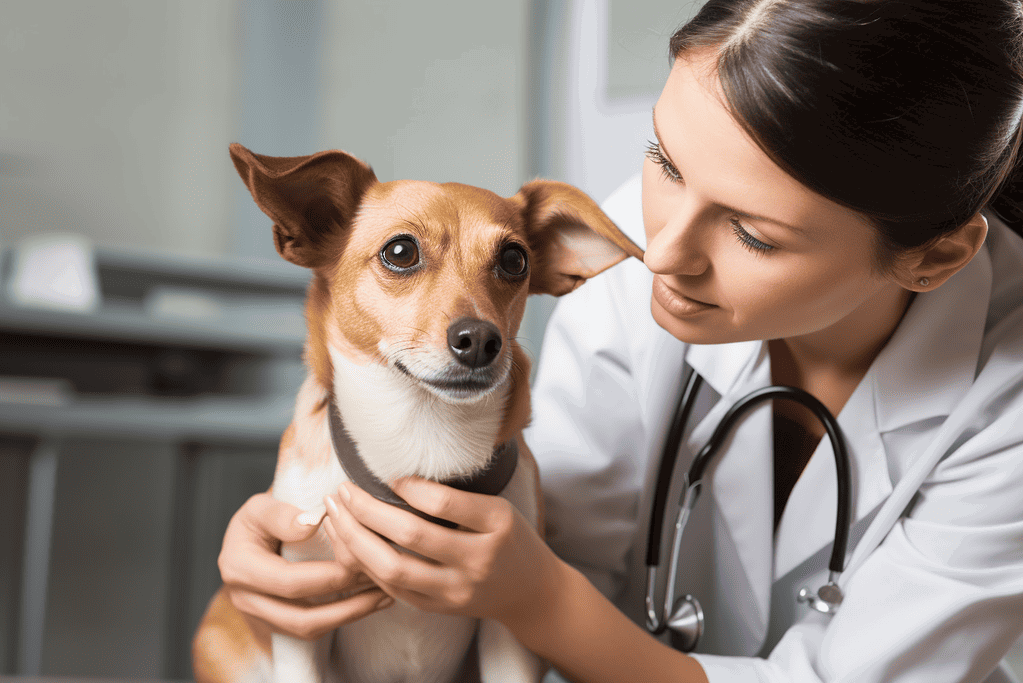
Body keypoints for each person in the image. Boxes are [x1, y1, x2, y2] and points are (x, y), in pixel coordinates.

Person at [212, 0, 1023, 681]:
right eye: (663, 160)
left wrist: (539, 600)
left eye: (752, 233)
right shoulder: (633, 261)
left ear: (935, 254)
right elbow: (558, 543)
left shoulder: (1007, 396)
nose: (657, 252)